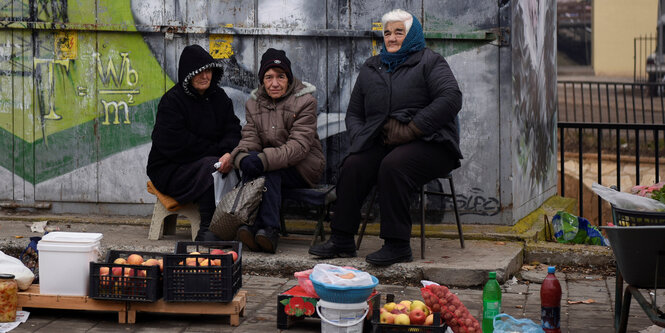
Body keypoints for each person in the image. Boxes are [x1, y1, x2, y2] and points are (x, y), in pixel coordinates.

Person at [308, 9, 463, 266]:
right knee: (354, 165)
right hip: (385, 142)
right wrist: (361, 138)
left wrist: (413, 128)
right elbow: (355, 112)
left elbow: (451, 98)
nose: (391, 38)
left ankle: (397, 244)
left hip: (432, 143)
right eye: (387, 33)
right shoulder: (372, 67)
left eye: (398, 32)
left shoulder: (430, 61)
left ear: (412, 34)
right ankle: (342, 239)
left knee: (393, 166)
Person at [229, 48, 325, 253]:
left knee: (269, 167)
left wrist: (263, 160)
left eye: (280, 77)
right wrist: (242, 157)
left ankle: (266, 228)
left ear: (288, 79)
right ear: (262, 80)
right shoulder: (254, 104)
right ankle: (258, 229)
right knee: (256, 163)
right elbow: (250, 138)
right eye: (269, 77)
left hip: (304, 167)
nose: (275, 83)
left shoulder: (305, 101)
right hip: (272, 165)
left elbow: (299, 146)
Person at [147, 44, 241, 241]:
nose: (205, 76)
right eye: (199, 72)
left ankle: (231, 224)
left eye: (208, 71)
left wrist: (226, 153)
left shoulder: (219, 97)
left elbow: (233, 129)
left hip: (209, 160)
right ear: (188, 75)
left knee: (239, 162)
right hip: (171, 169)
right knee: (211, 167)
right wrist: (217, 155)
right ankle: (207, 229)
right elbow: (178, 144)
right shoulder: (172, 101)